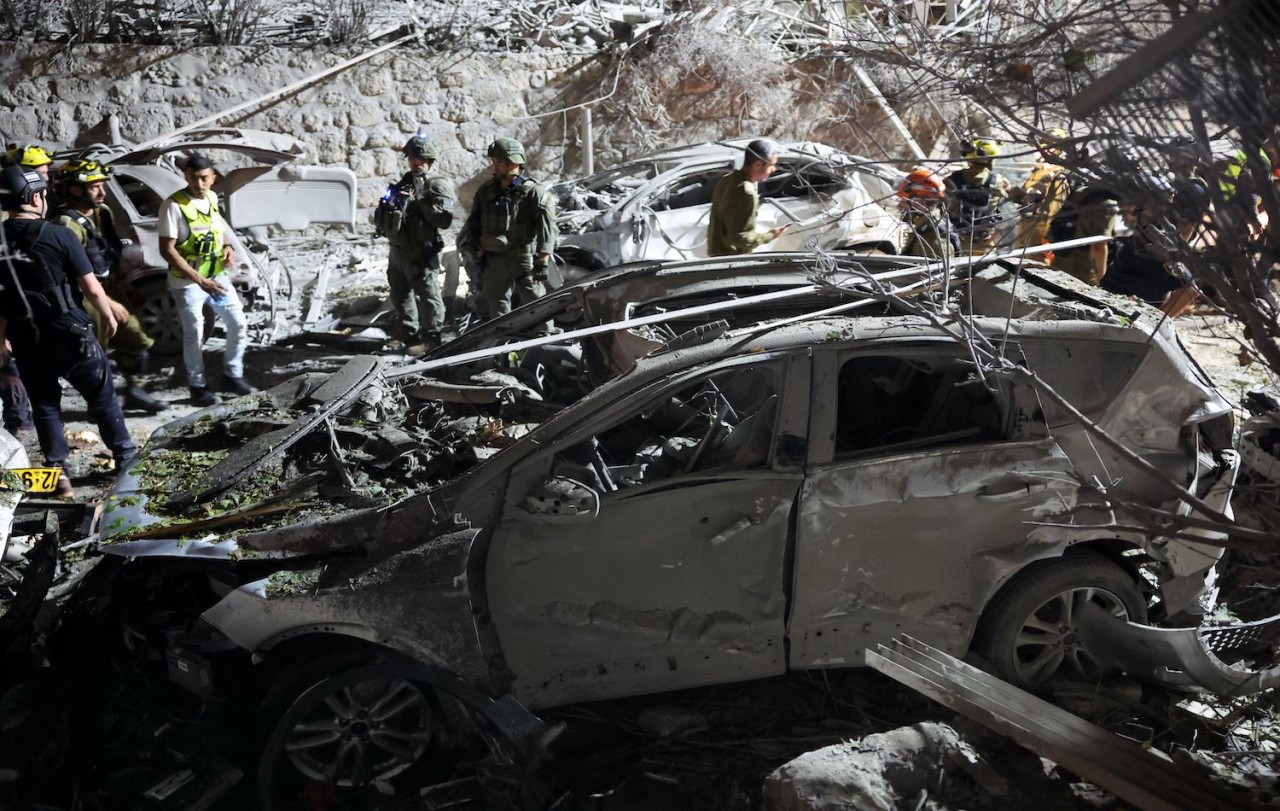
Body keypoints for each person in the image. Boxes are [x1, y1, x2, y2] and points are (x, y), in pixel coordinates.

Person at [0, 165, 135, 496]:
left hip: (26, 338)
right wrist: (109, 316)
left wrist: (1, 340)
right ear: (34, 198)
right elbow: (91, 287)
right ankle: (126, 459)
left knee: (45, 407)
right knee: (103, 399)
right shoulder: (59, 234)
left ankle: (59, 476)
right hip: (70, 333)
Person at [54, 159, 166, 413]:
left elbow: (107, 252)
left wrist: (123, 288)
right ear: (75, 189)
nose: (102, 192)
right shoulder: (67, 224)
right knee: (95, 352)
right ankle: (99, 405)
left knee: (137, 338)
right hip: (84, 296)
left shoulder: (102, 212)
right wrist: (107, 303)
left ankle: (135, 391)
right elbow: (70, 274)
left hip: (109, 287)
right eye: (94, 187)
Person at [157, 153, 251, 407]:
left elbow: (216, 229)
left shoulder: (210, 198)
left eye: (203, 178)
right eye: (192, 178)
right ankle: (197, 387)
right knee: (194, 334)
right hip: (188, 283)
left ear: (213, 178)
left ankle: (232, 376)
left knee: (238, 323)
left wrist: (227, 247)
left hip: (216, 276)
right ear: (185, 177)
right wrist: (199, 280)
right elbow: (167, 249)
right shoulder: (173, 206)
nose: (198, 184)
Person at [374, 133, 456, 353]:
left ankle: (432, 340)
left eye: (421, 159)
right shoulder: (405, 182)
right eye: (413, 158)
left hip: (422, 251)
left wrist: (424, 202)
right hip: (398, 250)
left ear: (430, 160)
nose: (416, 163)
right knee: (400, 293)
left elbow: (445, 220)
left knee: (429, 296)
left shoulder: (437, 185)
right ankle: (409, 335)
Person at [460, 137, 556, 321]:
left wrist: (542, 261)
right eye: (494, 161)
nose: (494, 165)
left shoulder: (533, 192)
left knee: (536, 303)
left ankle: (545, 335)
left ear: (513, 162)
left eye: (499, 161)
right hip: (494, 258)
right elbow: (474, 222)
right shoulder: (486, 190)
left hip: (522, 257)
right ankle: (503, 335)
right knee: (496, 304)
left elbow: (548, 230)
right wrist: (475, 247)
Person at [707, 139, 789, 257]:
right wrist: (770, 235)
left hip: (716, 256)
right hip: (731, 260)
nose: (774, 169)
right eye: (771, 165)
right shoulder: (746, 192)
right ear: (758, 164)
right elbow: (740, 238)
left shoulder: (726, 180)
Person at [1047, 182, 1121, 285]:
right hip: (1082, 269)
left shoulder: (1081, 190)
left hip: (1061, 257)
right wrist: (1101, 280)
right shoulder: (1107, 205)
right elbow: (1098, 246)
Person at [945, 138, 1010, 254]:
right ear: (988, 160)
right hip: (984, 243)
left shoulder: (950, 181)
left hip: (956, 242)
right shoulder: (997, 181)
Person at [1009, 129, 1069, 249]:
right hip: (1025, 225)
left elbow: (1055, 210)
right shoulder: (1038, 171)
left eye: (1042, 146)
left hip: (1040, 230)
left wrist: (1047, 236)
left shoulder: (1058, 175)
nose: (1037, 150)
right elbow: (1026, 198)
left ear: (1056, 150)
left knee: (1035, 260)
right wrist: (1011, 190)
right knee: (1018, 259)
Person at [896, 168, 959, 261]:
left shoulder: (932, 238)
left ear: (923, 202)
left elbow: (936, 269)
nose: (899, 205)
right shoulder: (925, 226)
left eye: (905, 200)